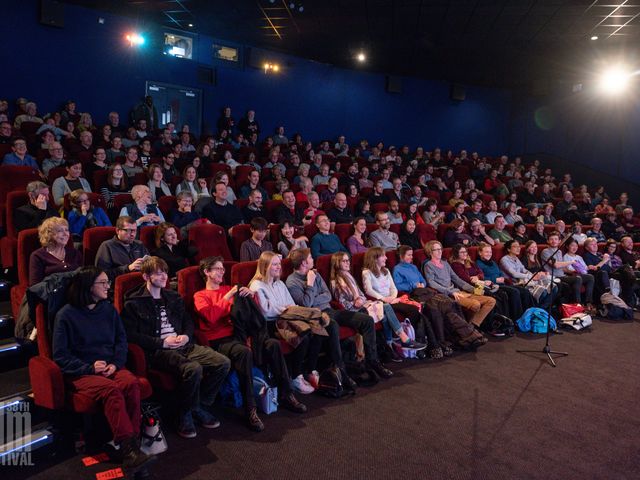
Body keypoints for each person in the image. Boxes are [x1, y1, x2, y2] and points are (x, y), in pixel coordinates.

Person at [53, 266, 155, 474]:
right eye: (103, 283)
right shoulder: (66, 315)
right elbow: (60, 356)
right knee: (111, 390)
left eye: (108, 282)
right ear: (88, 286)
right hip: (82, 372)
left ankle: (131, 447)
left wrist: (116, 363)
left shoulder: (108, 309)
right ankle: (130, 451)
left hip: (111, 365)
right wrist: (89, 367)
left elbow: (121, 340)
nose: (108, 286)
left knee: (131, 383)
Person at [195, 256, 306, 433]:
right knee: (244, 353)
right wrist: (229, 296)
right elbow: (211, 317)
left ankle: (287, 394)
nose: (222, 272)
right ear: (207, 272)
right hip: (220, 340)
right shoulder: (201, 295)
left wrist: (250, 296)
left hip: (242, 334)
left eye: (223, 268)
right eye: (217, 269)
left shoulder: (229, 288)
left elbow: (249, 314)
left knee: (273, 344)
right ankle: (250, 409)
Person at [123, 257, 230, 438]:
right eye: (158, 273)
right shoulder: (134, 303)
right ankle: (184, 414)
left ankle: (196, 406)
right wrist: (163, 342)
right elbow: (130, 335)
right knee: (193, 369)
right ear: (145, 276)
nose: (164, 276)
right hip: (159, 350)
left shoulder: (173, 297)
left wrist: (186, 335)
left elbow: (187, 321)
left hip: (183, 344)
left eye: (165, 272)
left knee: (223, 362)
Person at [330, 251, 425, 366]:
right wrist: (355, 303)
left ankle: (389, 347)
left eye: (348, 260)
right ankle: (403, 339)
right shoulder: (335, 282)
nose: (348, 263)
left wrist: (362, 300)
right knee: (385, 306)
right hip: (353, 311)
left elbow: (361, 294)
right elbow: (341, 303)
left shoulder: (350, 276)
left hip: (363, 304)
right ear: (337, 263)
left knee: (385, 315)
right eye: (344, 261)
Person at [285, 248, 358, 391]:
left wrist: (314, 298)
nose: (313, 260)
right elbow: (305, 304)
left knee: (364, 319)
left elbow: (328, 295)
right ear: (305, 262)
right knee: (332, 325)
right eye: (311, 258)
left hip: (327, 310)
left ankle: (346, 367)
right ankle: (339, 371)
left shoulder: (315, 274)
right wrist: (310, 284)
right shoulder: (292, 281)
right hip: (309, 317)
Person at [392, 246, 488, 349]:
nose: (412, 257)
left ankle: (468, 335)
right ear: (402, 256)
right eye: (409, 255)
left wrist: (422, 284)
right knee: (444, 306)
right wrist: (414, 285)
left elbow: (423, 280)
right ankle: (469, 335)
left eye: (412, 254)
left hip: (425, 291)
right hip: (414, 295)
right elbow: (398, 286)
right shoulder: (397, 269)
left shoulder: (414, 267)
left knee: (450, 306)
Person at [362, 247, 442, 358]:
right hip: (380, 302)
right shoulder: (367, 273)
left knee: (416, 310)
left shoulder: (386, 271)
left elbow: (393, 288)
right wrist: (385, 299)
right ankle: (404, 339)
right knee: (412, 310)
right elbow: (368, 290)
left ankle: (419, 343)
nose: (386, 258)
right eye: (383, 256)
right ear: (375, 258)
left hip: (392, 299)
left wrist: (393, 297)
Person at [423, 241, 496, 329]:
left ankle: (472, 325)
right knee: (475, 304)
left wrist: (473, 289)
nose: (440, 251)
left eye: (440, 249)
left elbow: (456, 279)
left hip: (458, 292)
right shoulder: (428, 265)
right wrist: (450, 292)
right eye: (436, 249)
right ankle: (468, 328)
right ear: (430, 252)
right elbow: (431, 283)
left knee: (491, 300)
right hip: (448, 295)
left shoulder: (445, 263)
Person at [475, 242, 535, 318]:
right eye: (486, 252)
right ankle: (518, 317)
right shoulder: (478, 263)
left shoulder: (492, 262)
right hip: (493, 286)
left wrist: (502, 277)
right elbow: (480, 278)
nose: (489, 254)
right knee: (515, 292)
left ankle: (530, 314)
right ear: (480, 253)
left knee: (524, 291)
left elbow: (500, 272)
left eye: (490, 252)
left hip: (502, 283)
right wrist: (495, 279)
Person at [542, 232, 595, 309]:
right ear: (548, 241)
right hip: (554, 277)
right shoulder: (545, 251)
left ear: (559, 241)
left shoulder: (559, 251)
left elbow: (562, 268)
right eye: (551, 239)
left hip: (563, 275)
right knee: (577, 279)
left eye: (556, 239)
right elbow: (556, 265)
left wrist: (572, 272)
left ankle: (588, 302)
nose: (554, 241)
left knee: (590, 277)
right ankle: (578, 305)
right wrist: (572, 262)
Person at [29, 217, 82, 286]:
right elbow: (35, 286)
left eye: (66, 230)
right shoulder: (37, 256)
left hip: (74, 293)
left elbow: (83, 278)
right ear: (49, 234)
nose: (65, 234)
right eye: (60, 231)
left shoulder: (75, 253)